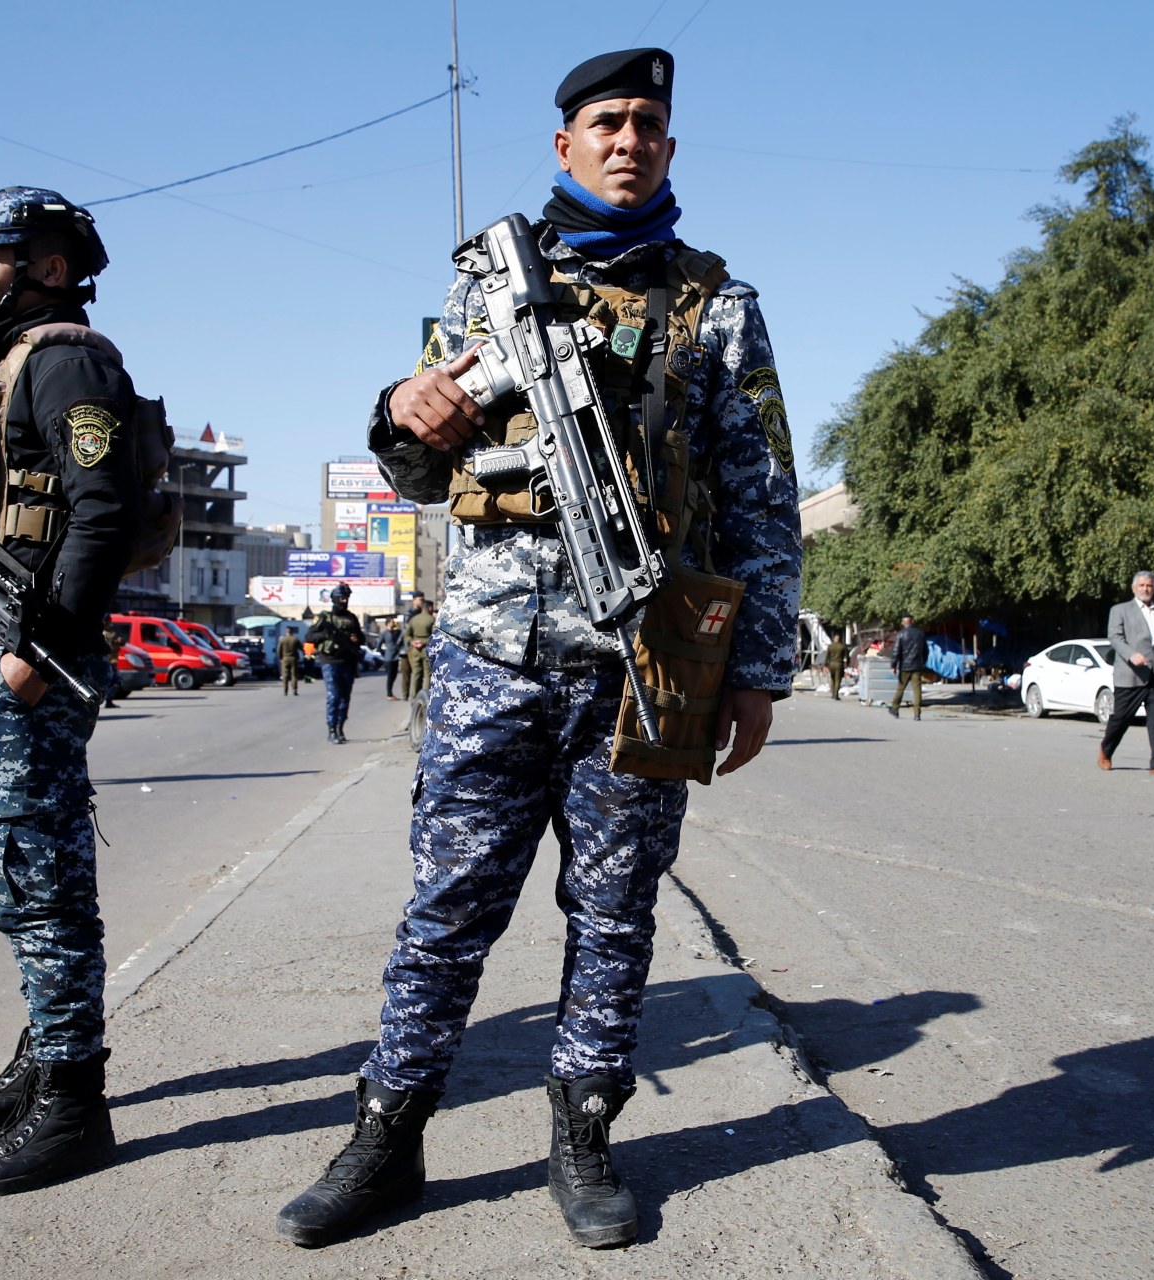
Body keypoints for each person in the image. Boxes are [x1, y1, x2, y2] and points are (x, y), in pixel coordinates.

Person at [277, 47, 802, 1250]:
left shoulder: (720, 306)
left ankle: (584, 1127)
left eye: (651, 126)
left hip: (645, 661)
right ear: (563, 142)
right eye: (607, 122)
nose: (630, 141)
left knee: (614, 912)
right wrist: (400, 412)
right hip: (490, 658)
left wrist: (758, 668)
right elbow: (421, 461)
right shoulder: (486, 286)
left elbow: (764, 495)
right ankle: (389, 1128)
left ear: (671, 148)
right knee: (448, 906)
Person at [0, 183, 139, 1196]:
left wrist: (35, 652)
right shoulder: (5, 363)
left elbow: (102, 510)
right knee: (12, 868)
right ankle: (39, 1057)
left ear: (49, 265)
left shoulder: (65, 360)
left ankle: (72, 1103)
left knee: (44, 878)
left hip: (29, 657)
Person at [1099, 571, 1154, 777]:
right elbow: (1115, 637)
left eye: (1149, 586)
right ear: (1133, 588)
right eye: (1141, 585)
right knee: (1121, 718)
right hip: (1131, 674)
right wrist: (1130, 654)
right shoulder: (1120, 610)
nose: (1146, 589)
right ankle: (1106, 751)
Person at [305, 582, 364, 743]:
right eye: (341, 598)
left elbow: (361, 638)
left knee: (345, 697)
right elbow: (310, 637)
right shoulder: (325, 618)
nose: (344, 601)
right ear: (334, 599)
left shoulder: (351, 618)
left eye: (346, 598)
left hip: (348, 660)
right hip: (330, 660)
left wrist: (355, 639)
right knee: (334, 696)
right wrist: (327, 635)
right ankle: (331, 729)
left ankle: (340, 728)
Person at [890, 614, 927, 720]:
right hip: (917, 665)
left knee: (900, 688)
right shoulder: (920, 634)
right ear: (913, 621)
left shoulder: (900, 634)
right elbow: (926, 651)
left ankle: (895, 709)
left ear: (903, 623)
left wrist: (894, 665)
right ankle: (917, 713)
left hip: (904, 666)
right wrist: (923, 662)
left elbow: (896, 651)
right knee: (917, 690)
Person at [402, 597, 436, 703]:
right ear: (429, 608)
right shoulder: (431, 620)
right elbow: (434, 636)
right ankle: (426, 697)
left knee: (416, 673)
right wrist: (424, 642)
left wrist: (413, 642)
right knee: (427, 674)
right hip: (426, 648)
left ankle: (414, 697)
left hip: (415, 649)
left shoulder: (414, 619)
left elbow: (406, 635)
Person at [378, 617, 404, 700]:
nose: (394, 623)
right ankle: (389, 694)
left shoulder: (396, 632)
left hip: (396, 656)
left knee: (394, 675)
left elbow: (401, 637)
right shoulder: (384, 633)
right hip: (388, 657)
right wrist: (384, 654)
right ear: (388, 623)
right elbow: (378, 646)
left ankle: (390, 693)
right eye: (392, 622)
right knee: (390, 676)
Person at [822, 633, 850, 700]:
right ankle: (836, 694)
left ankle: (832, 693)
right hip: (839, 664)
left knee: (832, 678)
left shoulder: (830, 646)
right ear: (840, 639)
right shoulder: (842, 646)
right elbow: (847, 656)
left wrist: (825, 665)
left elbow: (827, 656)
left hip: (831, 663)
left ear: (834, 639)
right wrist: (848, 663)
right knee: (838, 679)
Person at [276, 626, 302, 696]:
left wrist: (281, 658)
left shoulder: (282, 640)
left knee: (285, 675)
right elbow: (301, 648)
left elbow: (278, 650)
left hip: (285, 658)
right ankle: (294, 690)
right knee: (294, 675)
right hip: (294, 658)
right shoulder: (295, 639)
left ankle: (285, 690)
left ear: (286, 631)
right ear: (292, 632)